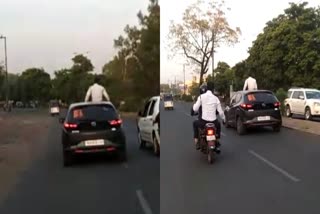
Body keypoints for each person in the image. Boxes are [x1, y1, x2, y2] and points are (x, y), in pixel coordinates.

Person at [192, 81, 225, 150]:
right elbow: (221, 112)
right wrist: (224, 119)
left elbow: (195, 109)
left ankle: (197, 141)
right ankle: (217, 141)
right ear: (213, 89)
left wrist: (194, 107)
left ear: (206, 88)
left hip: (203, 122)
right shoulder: (216, 98)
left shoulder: (201, 97)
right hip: (214, 122)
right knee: (218, 125)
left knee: (195, 123)